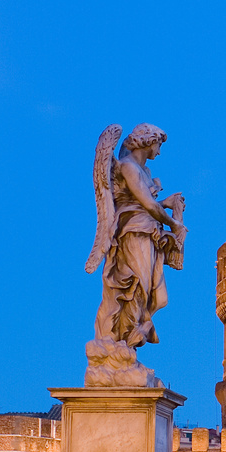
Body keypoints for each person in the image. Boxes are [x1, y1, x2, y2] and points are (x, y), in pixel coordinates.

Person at [88, 123, 185, 352]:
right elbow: (148, 205)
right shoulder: (129, 167)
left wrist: (167, 204)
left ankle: (133, 337)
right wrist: (174, 223)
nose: (159, 152)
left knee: (155, 295)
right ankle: (123, 340)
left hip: (149, 235)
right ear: (148, 141)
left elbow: (144, 204)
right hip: (133, 234)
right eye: (158, 145)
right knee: (136, 288)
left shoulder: (144, 171)